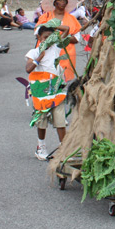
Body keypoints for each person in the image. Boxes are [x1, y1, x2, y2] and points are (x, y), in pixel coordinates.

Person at [26, 24, 70, 160]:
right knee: (42, 120)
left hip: (56, 90)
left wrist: (53, 25)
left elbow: (67, 30)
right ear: (39, 37)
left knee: (60, 120)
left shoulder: (56, 48)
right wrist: (39, 58)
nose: (48, 40)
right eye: (45, 37)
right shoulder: (33, 52)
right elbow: (28, 69)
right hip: (41, 93)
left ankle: (64, 148)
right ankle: (41, 147)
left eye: (51, 37)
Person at [36, 0, 81, 82]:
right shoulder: (46, 17)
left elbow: (76, 38)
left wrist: (62, 38)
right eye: (60, 0)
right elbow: (38, 33)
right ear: (55, 3)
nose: (63, 2)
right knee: (46, 80)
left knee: (63, 82)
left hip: (66, 54)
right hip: (47, 53)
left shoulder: (72, 18)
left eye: (64, 0)